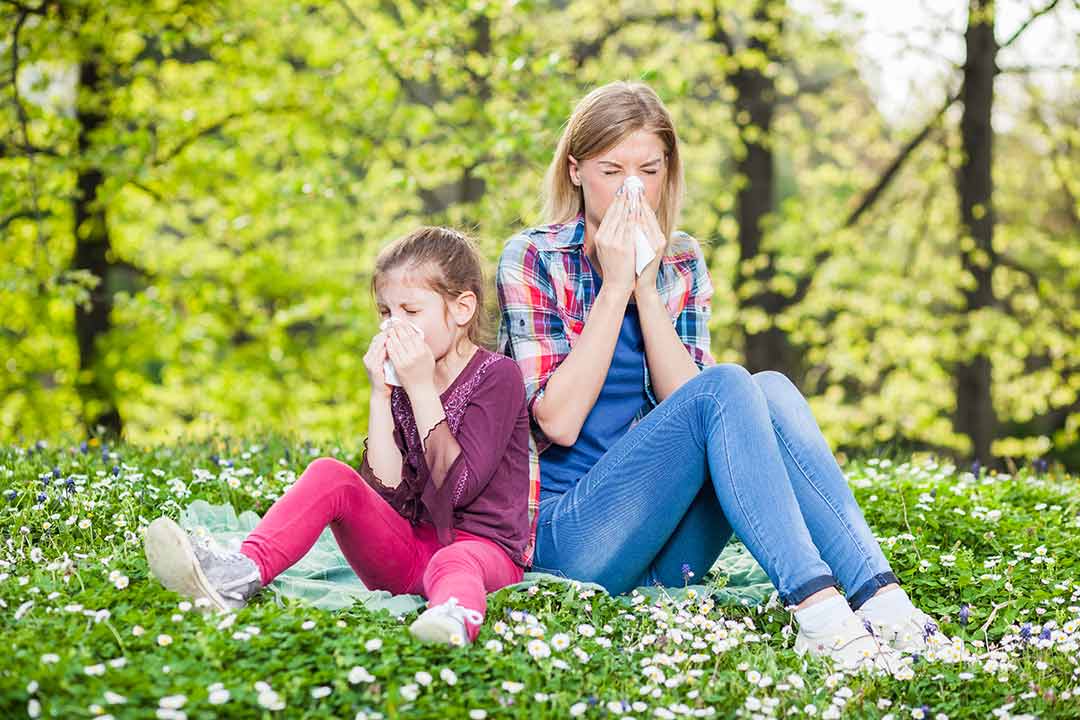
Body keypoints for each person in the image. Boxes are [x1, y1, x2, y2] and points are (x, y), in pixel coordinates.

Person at [496, 81, 936, 672]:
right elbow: (558, 420)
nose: (632, 189)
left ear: (667, 173)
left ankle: (881, 601)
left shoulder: (680, 260)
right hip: (567, 540)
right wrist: (615, 286)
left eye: (648, 171)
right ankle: (817, 610)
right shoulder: (533, 257)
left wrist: (646, 288)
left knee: (769, 389)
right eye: (611, 170)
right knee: (732, 382)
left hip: (661, 544)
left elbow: (702, 409)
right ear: (575, 172)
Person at [145, 226, 537, 646]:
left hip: (484, 553)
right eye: (387, 313)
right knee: (331, 473)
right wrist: (381, 393)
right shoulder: (404, 384)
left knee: (456, 560)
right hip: (408, 556)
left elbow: (456, 488)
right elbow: (385, 493)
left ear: (461, 310)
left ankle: (452, 618)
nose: (394, 326)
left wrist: (421, 387)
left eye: (410, 310)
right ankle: (238, 575)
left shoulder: (497, 376)